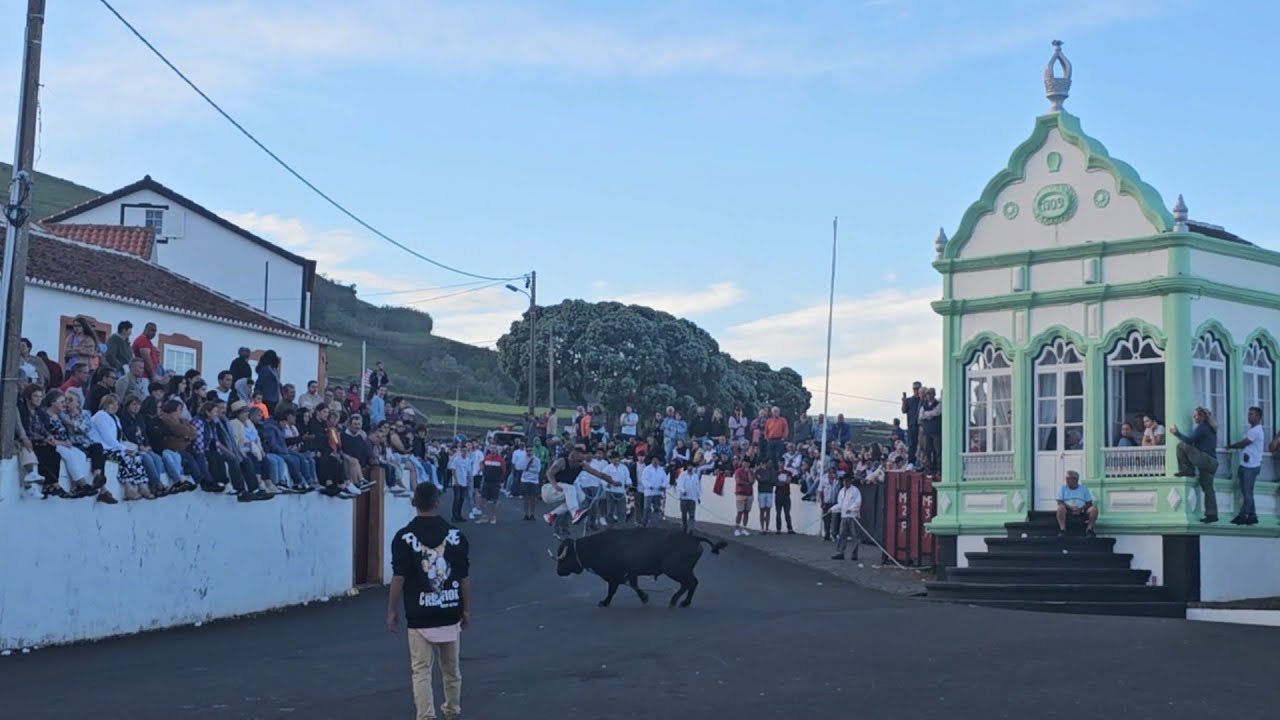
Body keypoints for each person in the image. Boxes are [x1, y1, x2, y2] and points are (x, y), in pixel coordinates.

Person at [388, 483, 470, 720]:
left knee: (421, 670)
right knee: (451, 670)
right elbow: (464, 578)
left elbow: (398, 577)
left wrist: (392, 609)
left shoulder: (403, 537)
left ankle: (426, 715)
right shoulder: (456, 535)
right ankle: (452, 710)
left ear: (414, 502)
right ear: (438, 502)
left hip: (419, 613)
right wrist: (467, 609)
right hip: (449, 609)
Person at [1170, 407, 1220, 523]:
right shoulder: (1211, 428)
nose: (1194, 417)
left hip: (1205, 460)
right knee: (1208, 489)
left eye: (1196, 415)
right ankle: (1212, 514)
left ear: (1202, 417)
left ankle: (1187, 469)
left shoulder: (1202, 427)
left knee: (1181, 445)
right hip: (1212, 463)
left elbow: (1189, 441)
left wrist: (1176, 433)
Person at [1226, 406, 1265, 526]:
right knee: (1247, 492)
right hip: (1247, 465)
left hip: (1251, 466)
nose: (1249, 416)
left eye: (1252, 414)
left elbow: (1245, 443)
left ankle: (1242, 516)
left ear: (1258, 417)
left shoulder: (1256, 430)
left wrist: (1231, 446)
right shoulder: (1252, 430)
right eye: (1248, 414)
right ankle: (1252, 516)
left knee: (1247, 493)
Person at [1055, 470, 1098, 537]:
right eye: (1066, 478)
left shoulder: (1084, 488)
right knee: (1060, 507)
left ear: (1076, 480)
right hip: (1067, 510)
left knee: (1094, 509)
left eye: (1069, 478)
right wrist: (1070, 508)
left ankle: (1089, 530)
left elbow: (1089, 502)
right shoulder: (1062, 488)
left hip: (1082, 510)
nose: (1067, 480)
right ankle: (1062, 529)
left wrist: (1080, 509)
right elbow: (1059, 501)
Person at [830, 474, 862, 560]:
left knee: (854, 535)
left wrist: (851, 509)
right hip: (844, 516)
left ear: (850, 481)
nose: (845, 482)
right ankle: (840, 552)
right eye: (844, 481)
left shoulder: (855, 491)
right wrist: (832, 509)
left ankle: (854, 554)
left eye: (847, 481)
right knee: (842, 534)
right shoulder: (841, 491)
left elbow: (858, 502)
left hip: (853, 516)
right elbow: (840, 504)